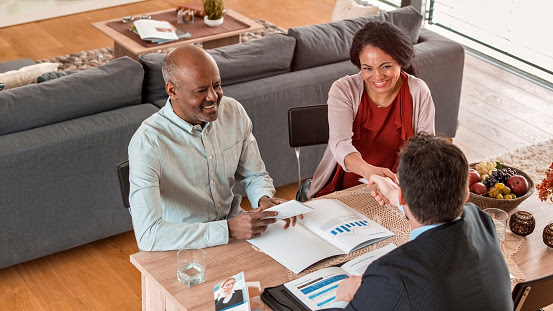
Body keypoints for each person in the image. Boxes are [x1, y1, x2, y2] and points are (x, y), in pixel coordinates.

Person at [128, 45, 298, 251]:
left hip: (235, 231)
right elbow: (149, 235)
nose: (213, 97)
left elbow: (255, 175)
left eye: (216, 85)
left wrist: (264, 199)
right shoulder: (147, 143)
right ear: (172, 90)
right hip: (181, 247)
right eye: (200, 90)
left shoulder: (233, 111)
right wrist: (227, 230)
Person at [322, 134, 513, 310]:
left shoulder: (391, 275)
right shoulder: (481, 219)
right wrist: (397, 197)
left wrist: (345, 296)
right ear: (465, 195)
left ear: (402, 195)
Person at [307, 21, 435, 199]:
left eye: (386, 66)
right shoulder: (343, 89)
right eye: (367, 68)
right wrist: (370, 173)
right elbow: (339, 144)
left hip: (396, 187)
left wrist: (397, 186)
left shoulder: (418, 90)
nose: (377, 77)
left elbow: (426, 147)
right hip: (342, 189)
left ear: (401, 61)